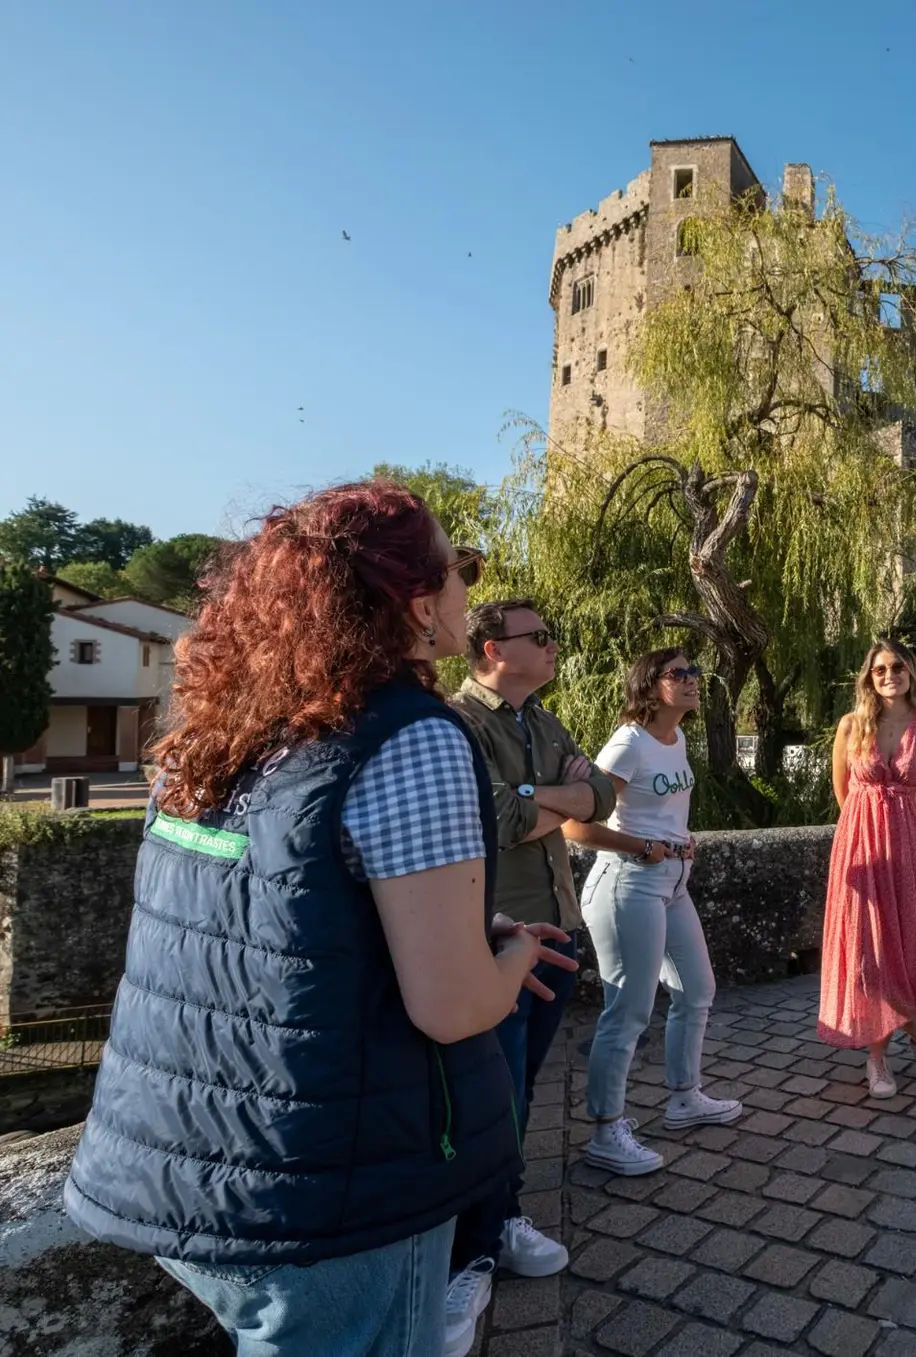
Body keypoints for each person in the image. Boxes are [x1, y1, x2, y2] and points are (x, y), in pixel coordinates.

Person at [64, 482, 575, 1357]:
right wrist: (506, 953)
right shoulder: (413, 734)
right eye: (462, 570)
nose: (466, 588)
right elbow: (452, 1007)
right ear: (417, 601)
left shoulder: (216, 726)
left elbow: (273, 904)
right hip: (322, 1189)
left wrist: (447, 923)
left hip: (167, 1157)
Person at [441, 600, 616, 1351]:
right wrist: (552, 798)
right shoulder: (459, 724)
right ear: (492, 648)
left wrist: (531, 797)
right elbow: (486, 819)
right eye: (538, 637)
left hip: (558, 927)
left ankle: (497, 1219)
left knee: (525, 1086)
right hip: (499, 933)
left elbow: (603, 794)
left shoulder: (541, 722)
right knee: (496, 1090)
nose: (552, 646)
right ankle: (477, 1246)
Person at [564, 647, 742, 1174]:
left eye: (694, 672)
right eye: (678, 674)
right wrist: (643, 846)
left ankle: (685, 1097)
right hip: (628, 885)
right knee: (629, 1010)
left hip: (672, 881)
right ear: (650, 685)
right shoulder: (628, 744)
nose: (692, 680)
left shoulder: (677, 736)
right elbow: (574, 827)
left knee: (696, 989)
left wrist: (677, 841)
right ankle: (605, 1130)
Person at [818, 639, 916, 1099]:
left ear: (911, 671)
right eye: (879, 670)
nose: (888, 674)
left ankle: (885, 1051)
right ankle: (914, 1031)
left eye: (896, 666)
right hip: (858, 844)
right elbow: (842, 792)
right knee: (866, 955)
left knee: (904, 948)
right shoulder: (851, 726)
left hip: (909, 844)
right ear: (868, 677)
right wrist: (867, 825)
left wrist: (898, 825)